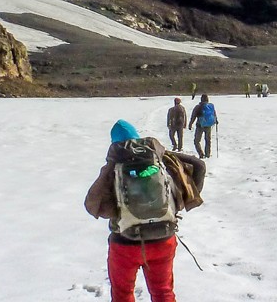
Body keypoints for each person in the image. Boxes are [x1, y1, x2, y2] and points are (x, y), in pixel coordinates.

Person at [85, 120, 206, 302]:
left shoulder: (114, 168)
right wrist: (177, 203)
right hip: (163, 240)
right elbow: (198, 165)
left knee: (122, 295)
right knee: (163, 292)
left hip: (124, 244)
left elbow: (93, 205)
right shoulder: (161, 160)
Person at [188, 94, 218, 158]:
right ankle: (208, 154)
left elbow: (193, 116)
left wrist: (190, 124)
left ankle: (201, 154)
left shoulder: (198, 107)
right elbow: (214, 114)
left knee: (196, 141)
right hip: (208, 126)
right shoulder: (210, 106)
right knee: (208, 140)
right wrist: (216, 120)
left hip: (200, 126)